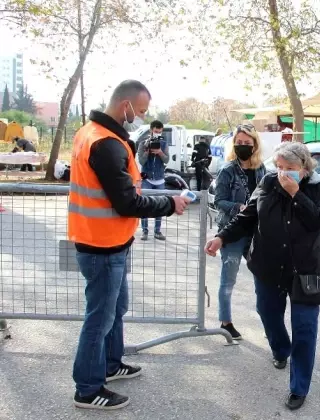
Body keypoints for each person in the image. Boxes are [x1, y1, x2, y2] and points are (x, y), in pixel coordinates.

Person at [68, 80, 190, 410]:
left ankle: (110, 363)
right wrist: (169, 204)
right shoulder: (105, 143)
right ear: (126, 106)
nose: (142, 117)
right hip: (102, 246)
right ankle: (88, 388)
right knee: (99, 319)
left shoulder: (91, 133)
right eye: (142, 111)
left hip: (110, 241)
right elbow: (126, 202)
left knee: (115, 310)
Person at [205, 141, 320, 411]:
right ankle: (281, 349)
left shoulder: (316, 187)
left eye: (291, 168)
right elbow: (248, 216)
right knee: (267, 312)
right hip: (268, 264)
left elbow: (319, 220)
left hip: (307, 267)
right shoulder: (268, 183)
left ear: (305, 168)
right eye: (280, 167)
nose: (284, 173)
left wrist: (297, 193)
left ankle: (299, 387)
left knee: (305, 328)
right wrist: (221, 237)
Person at [212, 123, 266, 339]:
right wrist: (239, 207)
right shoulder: (227, 170)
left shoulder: (261, 169)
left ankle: (267, 321)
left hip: (256, 231)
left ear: (255, 144)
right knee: (228, 279)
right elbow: (219, 201)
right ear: (234, 144)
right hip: (232, 231)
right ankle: (226, 322)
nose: (243, 146)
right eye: (239, 142)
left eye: (247, 143)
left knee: (262, 278)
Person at [138, 120, 170, 241]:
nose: (157, 134)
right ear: (151, 130)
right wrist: (147, 151)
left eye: (160, 132)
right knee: (144, 205)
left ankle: (157, 231)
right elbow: (141, 161)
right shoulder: (143, 143)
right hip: (147, 178)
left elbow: (166, 160)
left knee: (160, 206)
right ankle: (144, 231)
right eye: (156, 131)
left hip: (160, 178)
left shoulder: (164, 143)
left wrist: (160, 152)